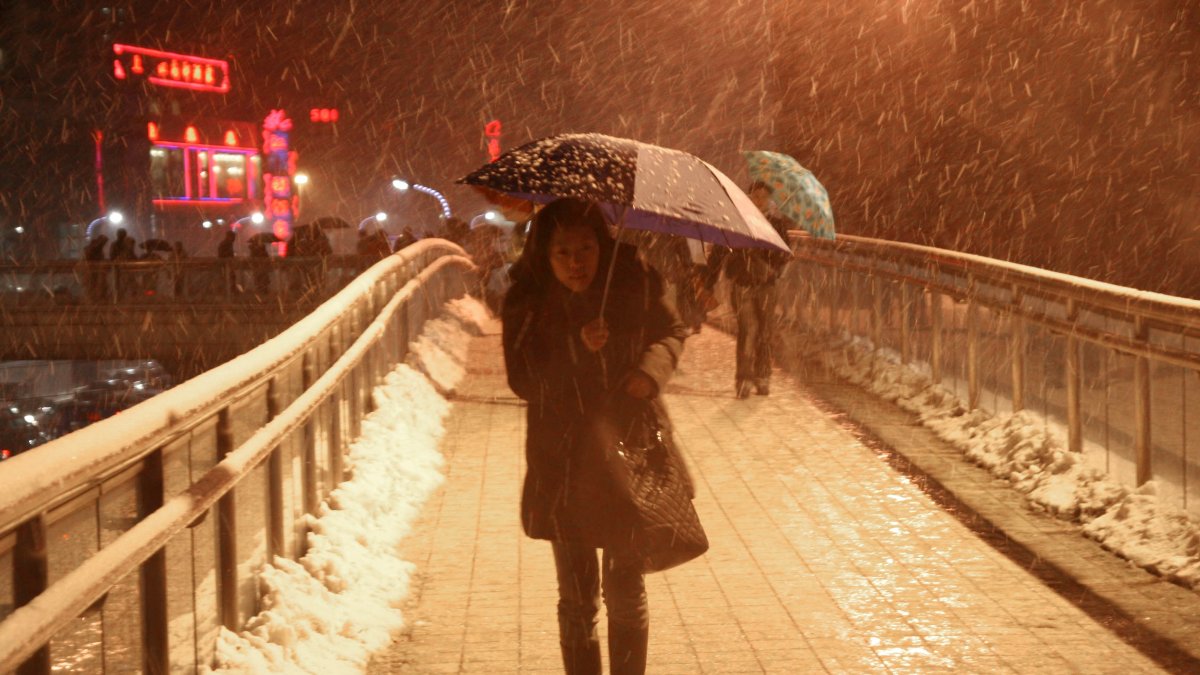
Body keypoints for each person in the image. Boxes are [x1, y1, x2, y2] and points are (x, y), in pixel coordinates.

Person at [502, 198, 691, 675]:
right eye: (562, 252)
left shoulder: (634, 278)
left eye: (585, 248)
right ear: (544, 254)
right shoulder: (528, 299)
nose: (575, 262)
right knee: (577, 597)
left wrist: (648, 374)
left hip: (629, 452)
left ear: (601, 245)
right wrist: (573, 348)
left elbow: (670, 331)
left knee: (626, 587)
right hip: (563, 460)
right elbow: (522, 378)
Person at [703, 180, 792, 398]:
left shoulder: (776, 225)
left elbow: (785, 254)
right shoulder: (736, 222)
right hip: (742, 283)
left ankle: (762, 376)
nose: (759, 200)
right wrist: (708, 282)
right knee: (747, 330)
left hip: (766, 286)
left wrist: (768, 262)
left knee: (765, 332)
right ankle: (743, 379)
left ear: (769, 200)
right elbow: (719, 251)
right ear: (749, 197)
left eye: (763, 196)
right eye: (755, 195)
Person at [217, 230, 237, 295]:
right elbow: (222, 254)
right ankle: (230, 291)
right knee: (229, 277)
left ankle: (228, 291)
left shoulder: (226, 243)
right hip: (226, 265)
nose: (234, 239)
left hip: (226, 265)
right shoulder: (226, 244)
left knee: (228, 277)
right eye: (233, 237)